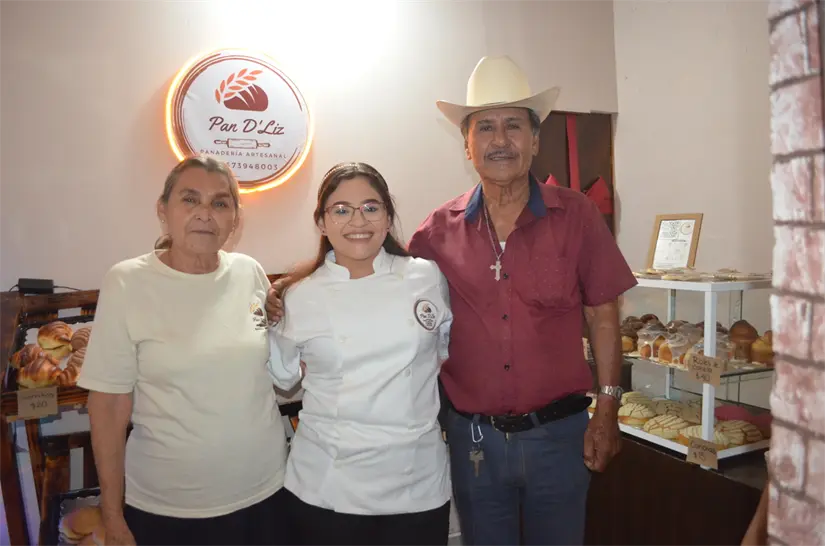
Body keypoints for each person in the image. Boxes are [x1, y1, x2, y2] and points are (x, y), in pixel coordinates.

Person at [266, 56, 636, 546]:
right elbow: (372, 267)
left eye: (513, 126)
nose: (499, 140)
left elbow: (603, 314)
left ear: (535, 139)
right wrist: (287, 289)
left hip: (558, 435)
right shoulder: (437, 233)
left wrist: (608, 410)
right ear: (467, 145)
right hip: (473, 441)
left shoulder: (577, 215)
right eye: (485, 127)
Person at [78, 156, 290, 546]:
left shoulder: (249, 273)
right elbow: (107, 405)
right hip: (168, 508)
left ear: (235, 218)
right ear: (164, 210)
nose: (205, 214)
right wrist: (112, 513)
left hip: (266, 492)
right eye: (190, 200)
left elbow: (271, 358)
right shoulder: (127, 282)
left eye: (220, 203)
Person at [266, 162, 452, 546]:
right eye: (341, 209)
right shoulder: (300, 296)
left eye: (371, 207)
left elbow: (441, 352)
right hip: (329, 487)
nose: (358, 220)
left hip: (416, 481)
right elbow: (283, 377)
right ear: (321, 222)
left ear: (387, 218)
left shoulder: (425, 276)